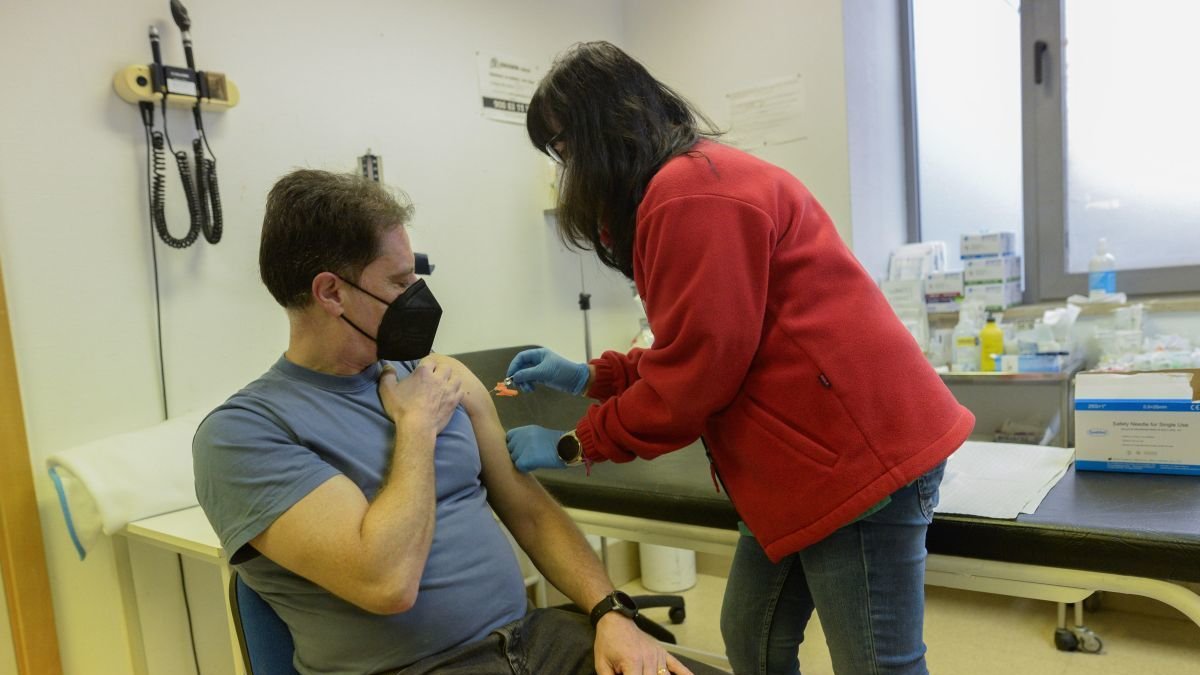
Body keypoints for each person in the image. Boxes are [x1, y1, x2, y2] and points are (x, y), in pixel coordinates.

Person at [504, 42, 975, 675]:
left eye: (564, 148)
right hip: (802, 467)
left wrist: (575, 443)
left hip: (855, 464)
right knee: (752, 636)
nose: (567, 170)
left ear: (602, 128)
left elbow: (698, 374)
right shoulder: (687, 187)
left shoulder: (690, 193)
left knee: (878, 664)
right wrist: (592, 376)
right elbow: (707, 344)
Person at [193, 169, 723, 675]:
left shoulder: (442, 377)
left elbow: (530, 512)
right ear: (331, 293)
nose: (418, 299)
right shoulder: (246, 434)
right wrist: (416, 429)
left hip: (535, 641)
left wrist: (612, 612)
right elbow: (387, 582)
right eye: (400, 284)